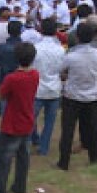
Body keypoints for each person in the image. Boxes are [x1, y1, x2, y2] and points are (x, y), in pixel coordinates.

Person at [0, 42, 37, 193]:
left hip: (12, 124)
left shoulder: (13, 78)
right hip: (27, 120)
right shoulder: (35, 75)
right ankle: (20, 186)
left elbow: (0, 95)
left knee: (2, 158)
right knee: (23, 156)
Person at [56, 24, 97, 170]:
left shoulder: (71, 56)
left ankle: (64, 162)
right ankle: (95, 157)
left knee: (68, 130)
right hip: (91, 95)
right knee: (92, 128)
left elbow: (61, 71)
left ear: (77, 37)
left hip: (72, 96)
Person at [30, 18, 64, 156]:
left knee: (30, 118)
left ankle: (31, 140)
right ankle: (43, 147)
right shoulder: (60, 49)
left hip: (38, 88)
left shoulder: (36, 48)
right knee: (50, 121)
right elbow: (62, 70)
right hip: (54, 88)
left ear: (41, 30)